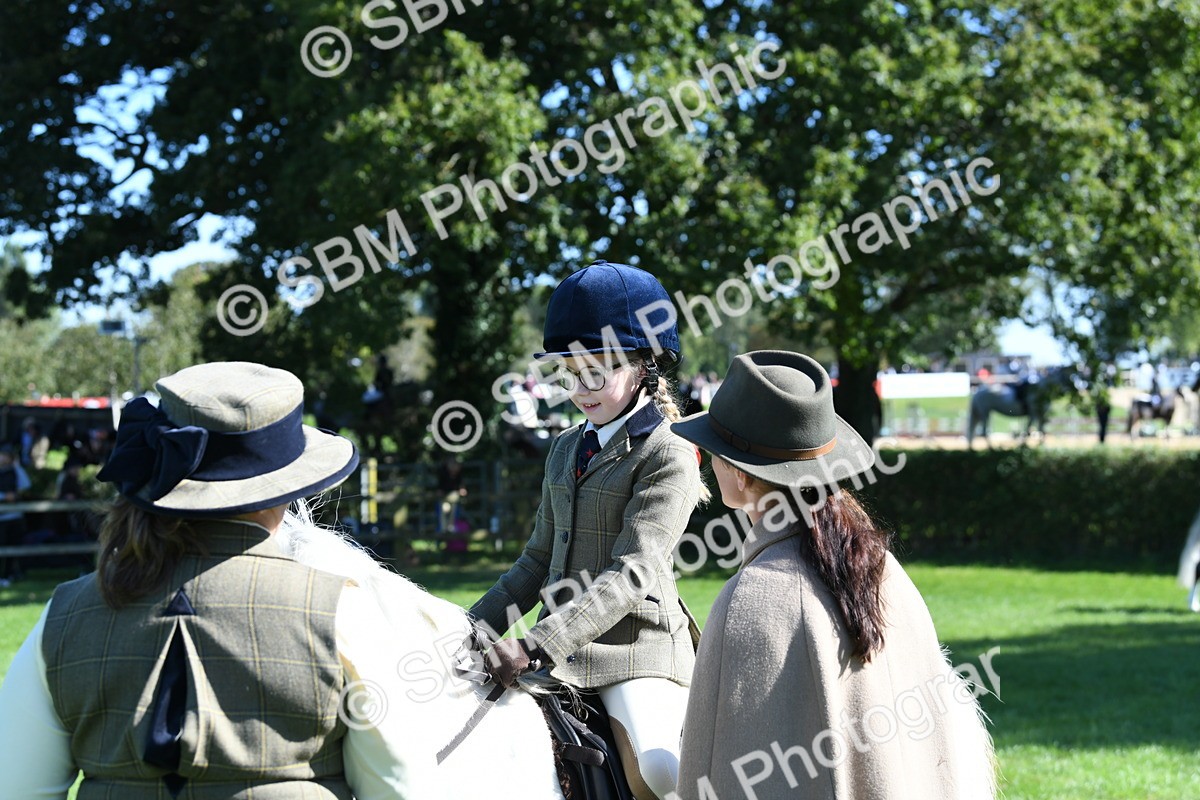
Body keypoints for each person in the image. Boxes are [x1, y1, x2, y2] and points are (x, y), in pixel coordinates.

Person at [0, 361, 447, 799]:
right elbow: (398, 788)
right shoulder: (340, 612)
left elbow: (15, 786)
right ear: (285, 490)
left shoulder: (62, 620)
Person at [670, 351, 996, 799]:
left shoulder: (751, 600)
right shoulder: (879, 565)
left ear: (743, 477)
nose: (710, 461)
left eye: (716, 451)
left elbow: (722, 777)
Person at [469, 260, 706, 799]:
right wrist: (469, 626)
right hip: (556, 654)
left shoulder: (669, 453)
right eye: (569, 374)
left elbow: (632, 571)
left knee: (660, 771)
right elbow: (536, 560)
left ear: (644, 363)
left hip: (634, 651)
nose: (580, 388)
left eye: (596, 371)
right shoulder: (564, 448)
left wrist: (534, 644)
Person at [0, 444, 32, 586]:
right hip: (2, 517)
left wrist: (17, 466)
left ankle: (9, 574)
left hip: (14, 516)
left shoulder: (14, 472)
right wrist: (4, 496)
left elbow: (25, 485)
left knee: (13, 547)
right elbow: (9, 496)